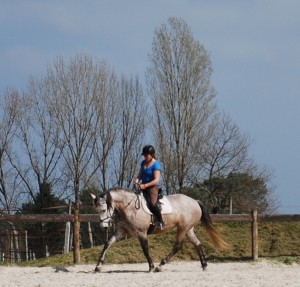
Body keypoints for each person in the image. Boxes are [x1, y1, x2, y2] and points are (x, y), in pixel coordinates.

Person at [134, 145, 165, 230]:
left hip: (152, 187)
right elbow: (140, 174)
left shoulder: (156, 165)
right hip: (142, 186)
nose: (145, 156)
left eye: (146, 155)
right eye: (144, 155)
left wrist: (145, 185)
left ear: (152, 155)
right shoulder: (143, 163)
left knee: (152, 204)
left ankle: (161, 221)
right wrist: (137, 180)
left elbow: (156, 180)